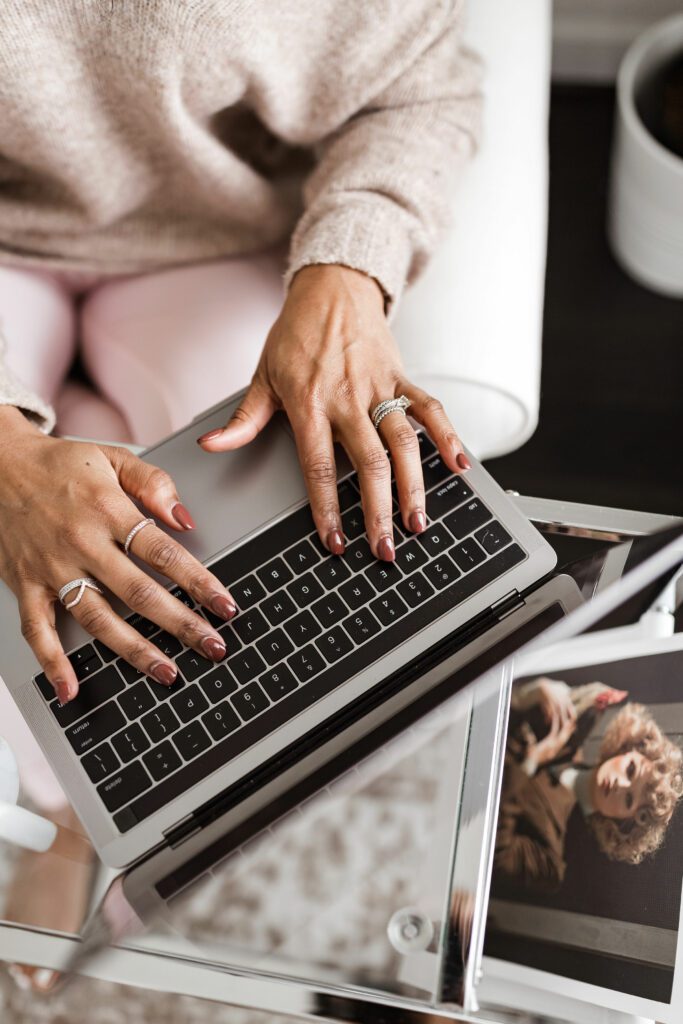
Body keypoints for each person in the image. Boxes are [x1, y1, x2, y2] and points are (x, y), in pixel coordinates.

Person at [0, 1, 481, 708]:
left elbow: (415, 92)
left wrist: (344, 274)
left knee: (289, 563)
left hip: (215, 234)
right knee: (34, 688)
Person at [494, 678, 683, 893]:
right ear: (628, 748)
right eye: (630, 769)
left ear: (622, 823)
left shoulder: (553, 858)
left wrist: (531, 763)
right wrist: (533, 691)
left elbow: (495, 853)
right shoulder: (570, 728)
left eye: (628, 799)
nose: (619, 784)